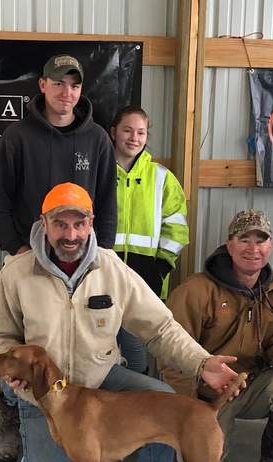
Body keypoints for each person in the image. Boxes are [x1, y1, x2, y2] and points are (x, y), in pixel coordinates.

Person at [0, 183, 240, 462]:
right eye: (60, 224)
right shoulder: (16, 273)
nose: (70, 234)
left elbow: (160, 327)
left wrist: (201, 362)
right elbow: (0, 338)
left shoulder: (112, 269)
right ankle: (40, 452)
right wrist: (12, 375)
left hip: (103, 381)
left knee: (165, 397)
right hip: (44, 396)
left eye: (79, 224)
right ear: (43, 224)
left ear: (91, 223)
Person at [0, 53, 119, 462]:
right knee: (17, 344)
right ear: (42, 86)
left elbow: (107, 201)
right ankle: (14, 418)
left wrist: (103, 256)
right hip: (30, 262)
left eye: (74, 85)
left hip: (82, 260)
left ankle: (87, 421)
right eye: (59, 83)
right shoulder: (17, 137)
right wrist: (17, 249)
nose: (67, 93)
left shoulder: (96, 138)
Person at [165, 210, 273, 462]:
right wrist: (189, 409)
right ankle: (191, 449)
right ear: (229, 245)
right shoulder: (195, 291)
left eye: (261, 240)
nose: (253, 248)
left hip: (251, 386)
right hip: (206, 396)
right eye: (243, 239)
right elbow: (172, 356)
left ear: (270, 246)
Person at [110, 106, 190, 375]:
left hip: (145, 280)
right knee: (99, 351)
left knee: (135, 351)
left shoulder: (162, 178)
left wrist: (161, 267)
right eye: (127, 130)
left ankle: (136, 409)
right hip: (102, 276)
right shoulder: (98, 173)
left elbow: (176, 228)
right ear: (114, 132)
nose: (134, 137)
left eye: (141, 132)